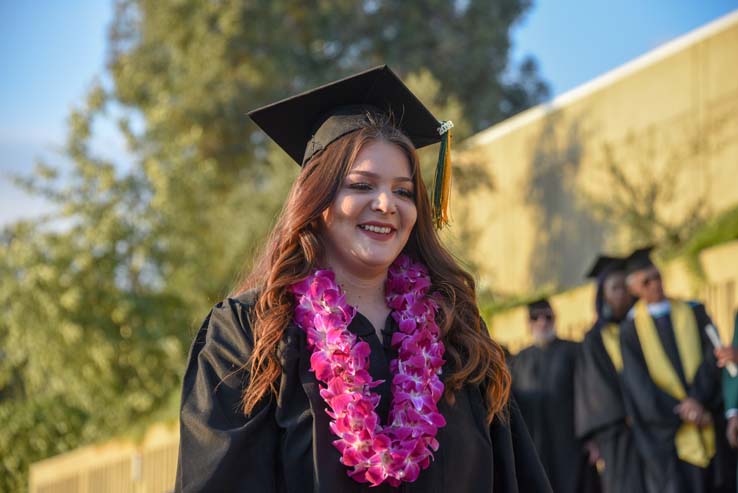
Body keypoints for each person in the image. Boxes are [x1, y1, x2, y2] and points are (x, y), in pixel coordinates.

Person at [175, 66, 551, 492]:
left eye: (404, 191)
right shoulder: (251, 331)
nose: (387, 204)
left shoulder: (456, 333)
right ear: (317, 200)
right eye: (362, 185)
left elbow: (514, 477)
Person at [619, 246, 736, 493]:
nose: (655, 284)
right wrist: (682, 411)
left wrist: (698, 401)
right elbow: (639, 385)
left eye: (657, 276)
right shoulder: (629, 331)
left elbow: (712, 356)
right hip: (669, 441)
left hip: (707, 420)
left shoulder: (695, 310)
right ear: (634, 289)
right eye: (646, 281)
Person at [510, 298, 596, 493]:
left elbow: (590, 394)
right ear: (528, 323)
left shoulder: (575, 351)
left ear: (555, 319)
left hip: (573, 442)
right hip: (536, 443)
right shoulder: (518, 360)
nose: (542, 322)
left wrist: (593, 437)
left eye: (548, 317)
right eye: (535, 317)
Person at [574, 255, 645, 493]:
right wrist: (630, 412)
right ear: (602, 295)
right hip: (619, 433)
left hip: (653, 423)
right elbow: (597, 389)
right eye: (615, 288)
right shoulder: (594, 339)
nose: (623, 293)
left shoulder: (642, 326)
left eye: (626, 286)